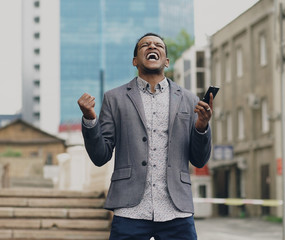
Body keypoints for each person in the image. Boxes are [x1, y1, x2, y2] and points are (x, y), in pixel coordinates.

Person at [77, 33, 213, 240]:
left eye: (158, 45)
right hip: (130, 209)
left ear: (166, 61)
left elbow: (199, 159)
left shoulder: (188, 99)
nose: (152, 46)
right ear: (135, 60)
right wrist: (89, 120)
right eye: (145, 45)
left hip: (176, 210)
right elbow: (100, 156)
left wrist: (201, 127)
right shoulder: (114, 99)